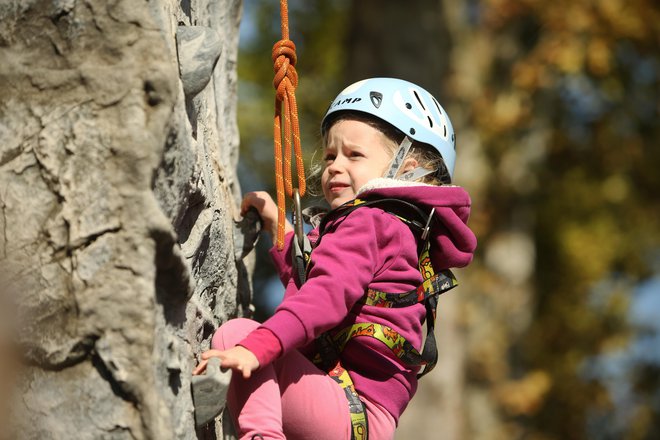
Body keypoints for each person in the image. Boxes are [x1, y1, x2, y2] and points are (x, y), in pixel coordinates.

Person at [193, 77, 477, 440]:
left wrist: (258, 347)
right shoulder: (398, 229)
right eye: (330, 156)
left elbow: (324, 296)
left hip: (343, 405)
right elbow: (322, 276)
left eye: (354, 155)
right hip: (362, 416)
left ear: (407, 168)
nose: (334, 167)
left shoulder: (368, 220)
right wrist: (279, 229)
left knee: (239, 335)